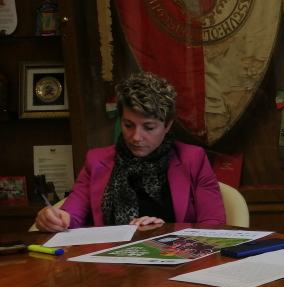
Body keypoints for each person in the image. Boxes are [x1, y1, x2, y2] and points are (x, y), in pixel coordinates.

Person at [34, 71, 225, 231]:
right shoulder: (97, 160)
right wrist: (53, 219)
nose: (136, 137)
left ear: (167, 126)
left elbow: (214, 225)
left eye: (148, 127)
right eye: (128, 125)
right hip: (111, 267)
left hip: (175, 263)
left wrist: (167, 230)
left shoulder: (193, 159)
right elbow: (71, 215)